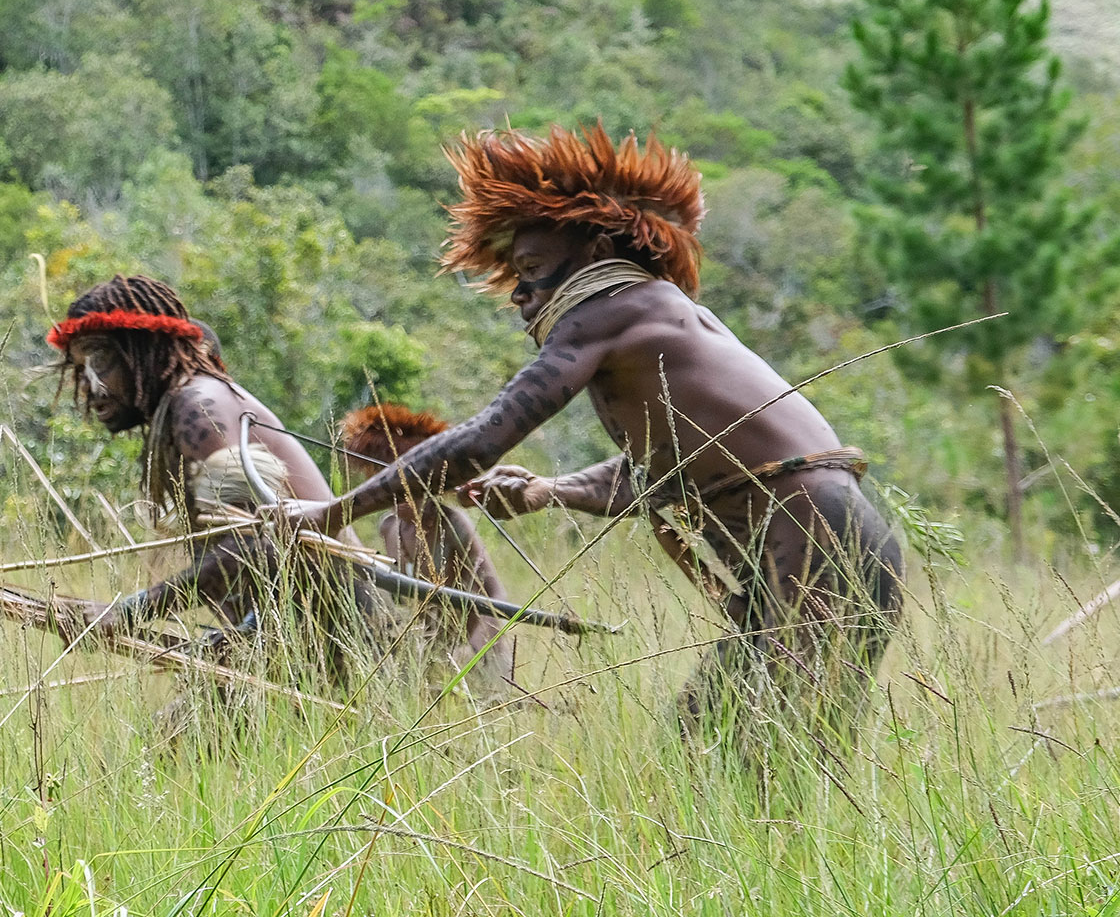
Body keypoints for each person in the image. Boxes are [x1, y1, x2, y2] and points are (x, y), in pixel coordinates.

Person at [276, 124, 904, 745]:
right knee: (710, 739)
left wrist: (330, 514)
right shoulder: (649, 317)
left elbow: (478, 444)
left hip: (820, 543)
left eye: (532, 267)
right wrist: (549, 491)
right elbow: (664, 470)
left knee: (764, 751)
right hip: (822, 547)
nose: (520, 293)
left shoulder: (614, 309)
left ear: (597, 252)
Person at [49, 275, 388, 686]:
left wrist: (129, 611)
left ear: (145, 347)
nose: (90, 385)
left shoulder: (199, 406)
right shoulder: (181, 410)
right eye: (80, 368)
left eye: (101, 359)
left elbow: (255, 546)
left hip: (341, 636)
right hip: (301, 640)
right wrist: (240, 636)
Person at [339, 404, 515, 684]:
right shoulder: (389, 527)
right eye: (387, 487)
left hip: (476, 656)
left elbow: (496, 595)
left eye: (406, 488)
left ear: (427, 485)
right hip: (428, 658)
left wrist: (473, 651)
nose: (397, 498)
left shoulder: (452, 524)